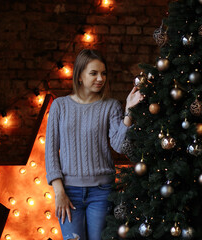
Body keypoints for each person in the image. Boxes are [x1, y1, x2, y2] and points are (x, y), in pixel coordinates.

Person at [45, 49, 142, 240]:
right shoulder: (60, 106)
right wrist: (59, 192)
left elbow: (119, 146)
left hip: (102, 192)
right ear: (79, 76)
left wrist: (129, 111)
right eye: (94, 73)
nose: (100, 78)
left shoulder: (111, 106)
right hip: (68, 192)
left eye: (103, 73)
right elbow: (50, 152)